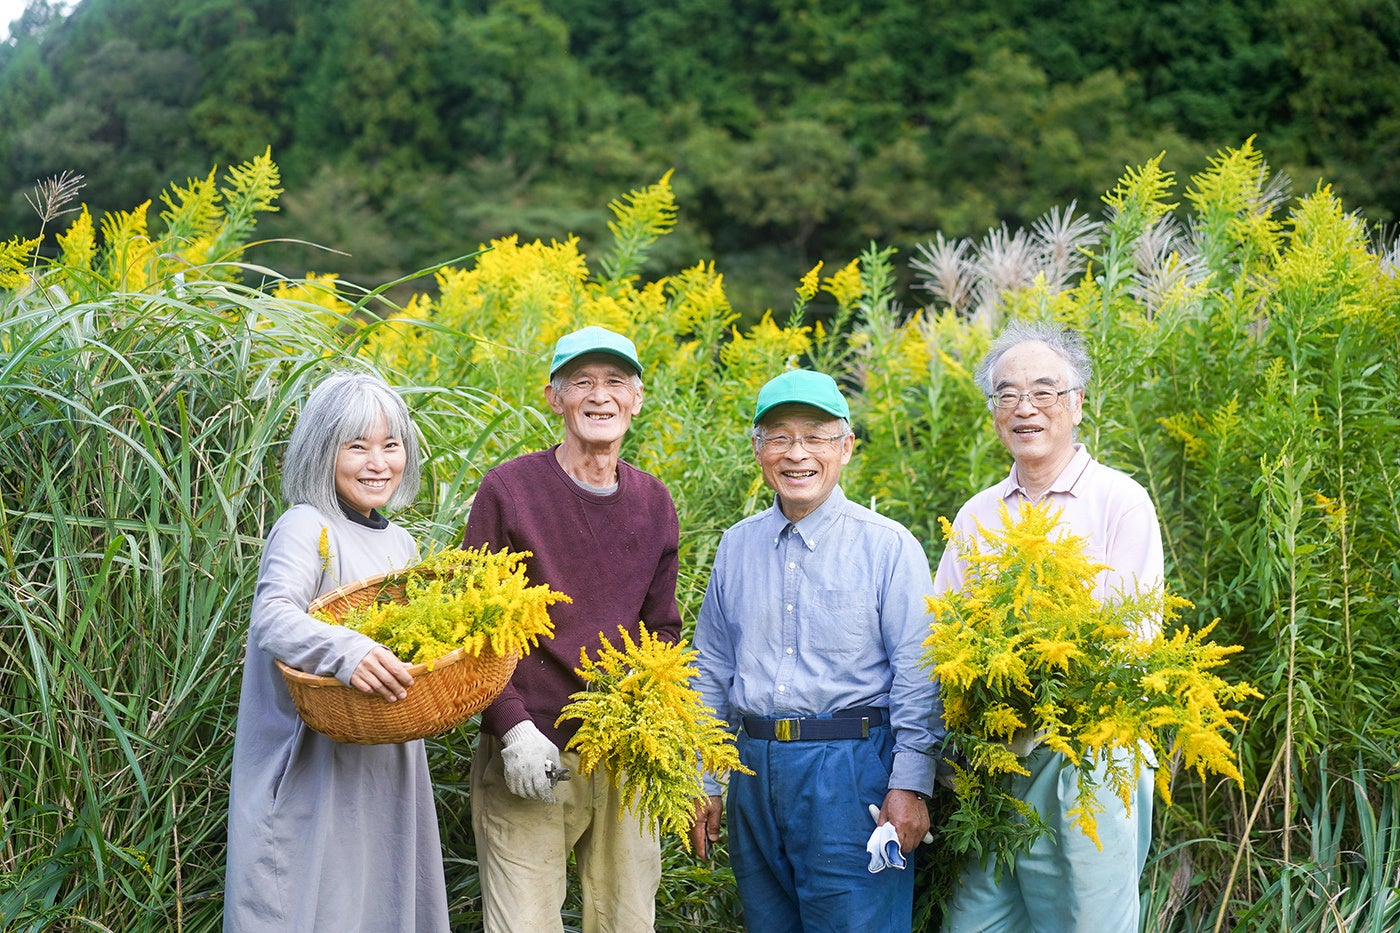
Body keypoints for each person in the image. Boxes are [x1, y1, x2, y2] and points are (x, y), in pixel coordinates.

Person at [690, 369, 944, 933]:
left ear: (846, 447)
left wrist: (909, 785)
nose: (797, 453)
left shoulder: (887, 546)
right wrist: (705, 779)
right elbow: (710, 670)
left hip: (851, 776)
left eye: (817, 436)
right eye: (779, 437)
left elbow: (919, 677)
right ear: (759, 451)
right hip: (751, 769)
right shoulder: (737, 546)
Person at [934, 319, 1164, 933]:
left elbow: (1130, 641)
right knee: (976, 921)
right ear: (994, 413)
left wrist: (1027, 664)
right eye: (1007, 394)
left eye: (1044, 392)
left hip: (1093, 757)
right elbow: (942, 637)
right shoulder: (977, 514)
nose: (1025, 408)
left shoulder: (1120, 501)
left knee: (1089, 921)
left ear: (1076, 404)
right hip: (992, 762)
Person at [463, 325, 682, 933]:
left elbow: (661, 629)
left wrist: (642, 715)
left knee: (626, 919)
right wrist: (513, 729)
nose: (600, 395)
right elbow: (475, 629)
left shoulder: (654, 503)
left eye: (616, 382)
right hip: (535, 754)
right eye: (581, 382)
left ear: (637, 399)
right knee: (525, 922)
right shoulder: (510, 491)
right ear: (554, 397)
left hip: (620, 754)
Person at [224, 371, 450, 932]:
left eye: (390, 445)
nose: (378, 463)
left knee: (379, 906)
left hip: (384, 771)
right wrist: (348, 653)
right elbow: (273, 617)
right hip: (308, 774)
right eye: (357, 446)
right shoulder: (305, 526)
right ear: (322, 450)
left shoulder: (402, 544)